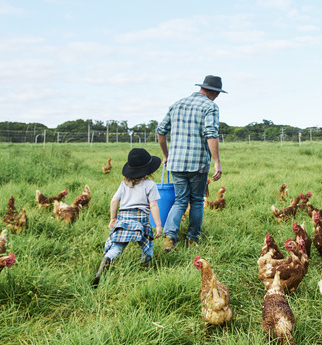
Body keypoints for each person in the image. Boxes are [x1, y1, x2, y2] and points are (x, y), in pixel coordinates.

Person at [157, 75, 226, 251]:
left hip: (176, 162)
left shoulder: (177, 104)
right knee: (196, 201)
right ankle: (192, 238)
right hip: (198, 163)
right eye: (217, 93)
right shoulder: (210, 107)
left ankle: (169, 237)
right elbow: (211, 133)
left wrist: (166, 154)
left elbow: (160, 131)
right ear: (214, 92)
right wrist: (217, 162)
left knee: (180, 200)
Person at [93, 148, 163, 287]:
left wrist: (113, 219)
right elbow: (154, 206)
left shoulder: (124, 184)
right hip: (140, 220)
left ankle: (108, 258)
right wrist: (158, 225)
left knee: (117, 246)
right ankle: (146, 266)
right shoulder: (150, 184)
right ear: (149, 169)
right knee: (147, 244)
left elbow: (114, 201)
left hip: (123, 219)